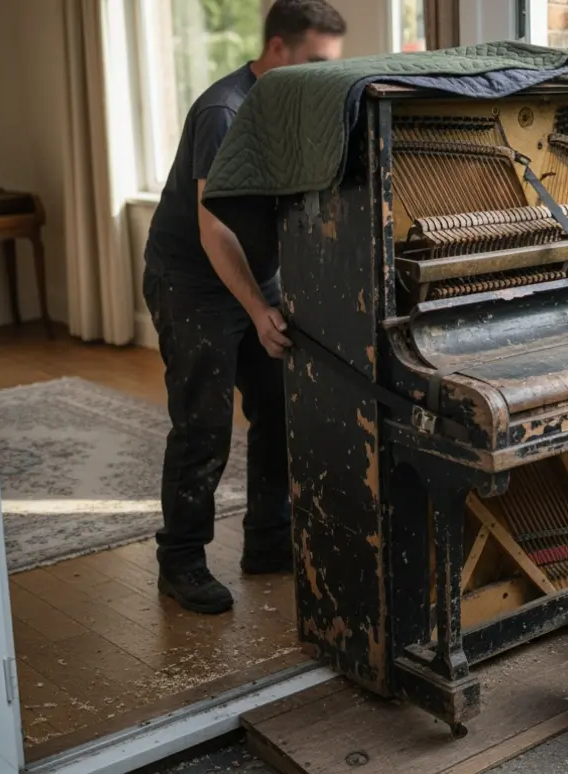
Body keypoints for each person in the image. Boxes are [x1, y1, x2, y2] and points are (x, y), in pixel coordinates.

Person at [142, 0, 347, 614]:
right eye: (314, 61)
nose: (322, 74)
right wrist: (260, 311)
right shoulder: (223, 112)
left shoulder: (293, 102)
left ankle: (267, 542)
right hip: (192, 279)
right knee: (203, 427)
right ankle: (179, 562)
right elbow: (215, 231)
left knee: (279, 407)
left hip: (256, 272)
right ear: (278, 49)